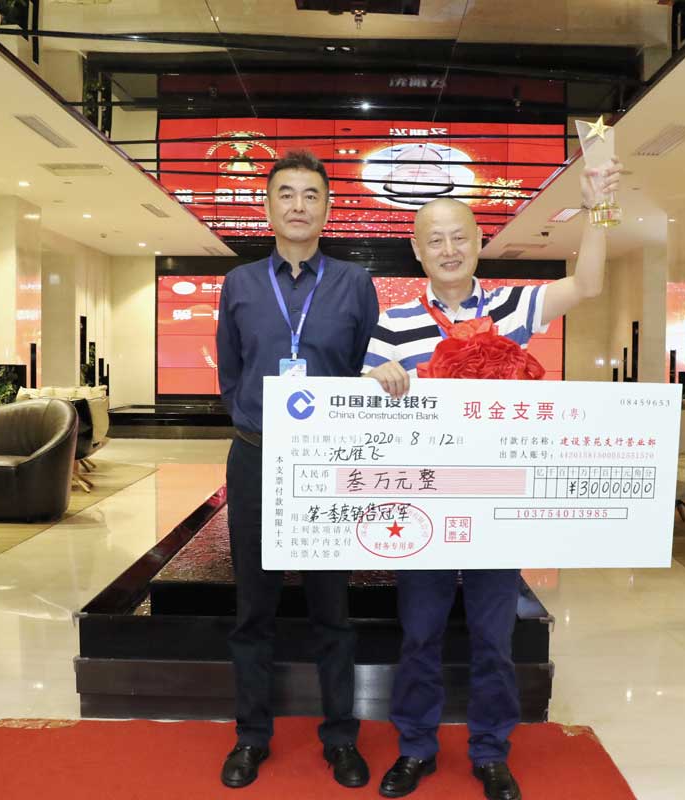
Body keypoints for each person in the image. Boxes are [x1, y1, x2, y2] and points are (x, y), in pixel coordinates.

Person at [364, 158, 622, 800]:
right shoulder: (394, 323)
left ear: (479, 241)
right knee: (419, 636)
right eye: (435, 240)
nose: (449, 249)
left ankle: (489, 751)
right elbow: (363, 404)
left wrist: (598, 207)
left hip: (496, 503)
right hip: (424, 501)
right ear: (417, 251)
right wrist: (374, 378)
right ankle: (416, 748)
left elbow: (588, 282)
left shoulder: (514, 305)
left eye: (460, 237)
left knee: (493, 638)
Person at [216, 150, 379, 790]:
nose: (298, 205)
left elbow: (365, 367)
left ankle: (340, 738)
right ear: (267, 208)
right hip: (256, 455)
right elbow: (231, 372)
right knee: (253, 608)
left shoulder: (354, 283)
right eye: (286, 194)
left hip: (327, 463)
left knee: (331, 609)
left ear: (328, 209)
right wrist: (259, 422)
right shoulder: (239, 283)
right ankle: (251, 737)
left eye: (312, 195)